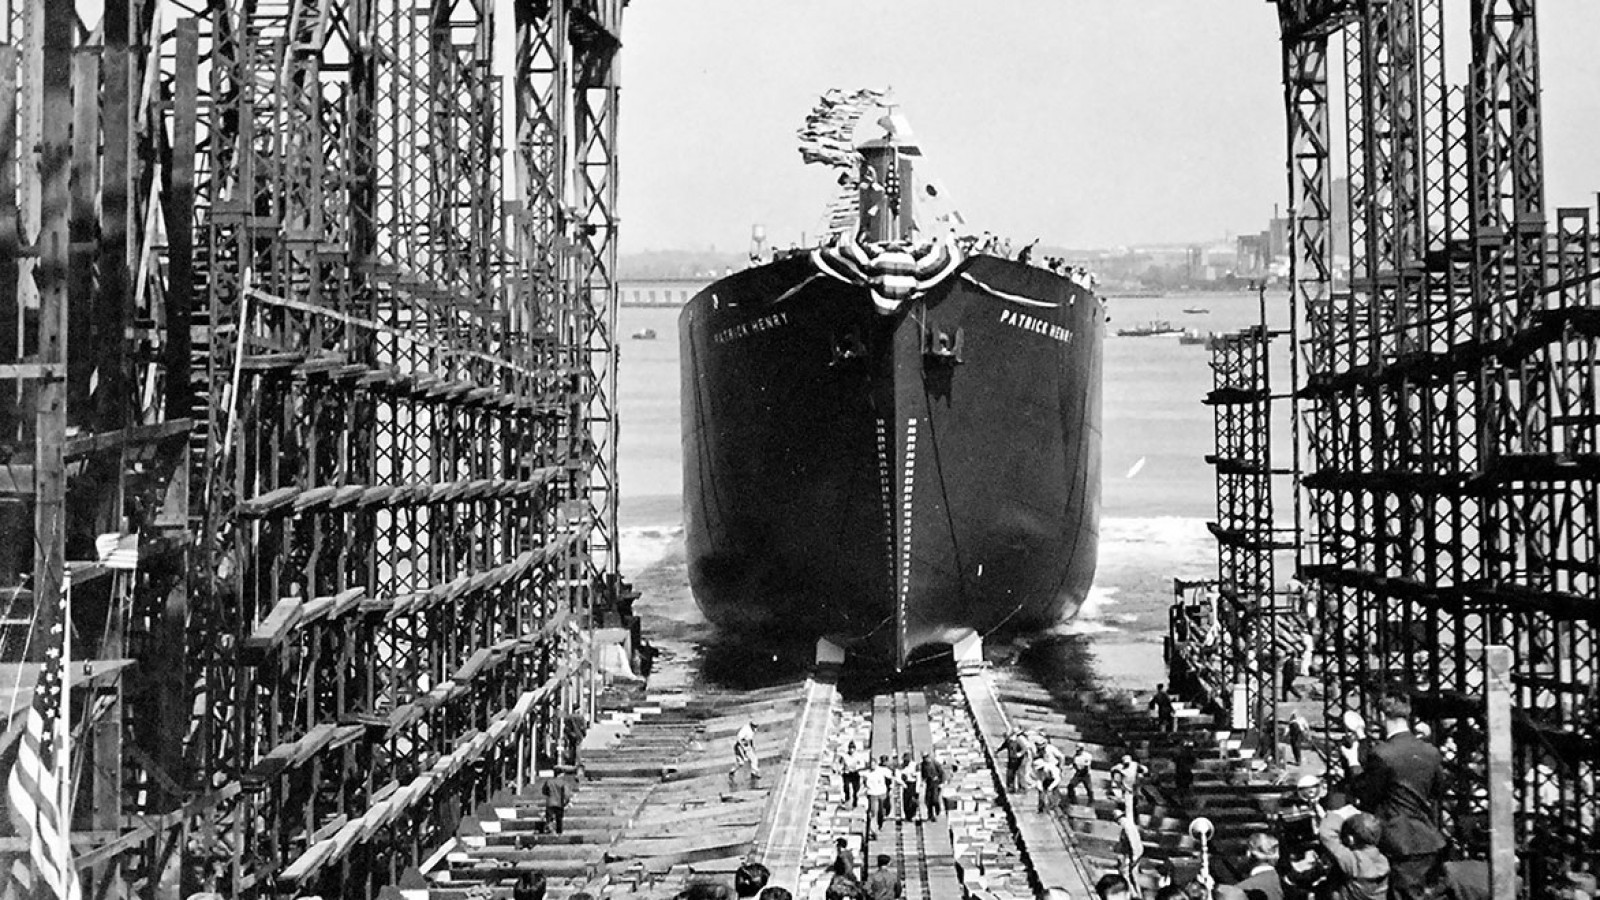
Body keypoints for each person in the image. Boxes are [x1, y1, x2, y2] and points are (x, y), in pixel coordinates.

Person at [1361, 692, 1444, 900]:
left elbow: (1367, 796)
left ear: (1381, 716)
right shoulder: (1430, 751)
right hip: (1427, 837)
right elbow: (1438, 791)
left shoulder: (1382, 753)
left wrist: (1353, 762)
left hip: (1398, 840)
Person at [1317, 806, 1389, 900]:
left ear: (1351, 839)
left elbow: (1327, 836)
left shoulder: (1355, 862)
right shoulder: (1383, 861)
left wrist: (1338, 815)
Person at [1233, 832, 1284, 900]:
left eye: (1239, 852)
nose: (1237, 859)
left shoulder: (1241, 890)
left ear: (1249, 854)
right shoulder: (1287, 883)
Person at [540, 766, 578, 834]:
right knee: (559, 820)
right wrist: (566, 802)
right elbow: (566, 794)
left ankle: (548, 830)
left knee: (549, 818)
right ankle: (559, 833)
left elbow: (544, 791)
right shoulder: (563, 783)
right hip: (559, 803)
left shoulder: (549, 781)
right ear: (561, 774)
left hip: (550, 802)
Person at [863, 755, 892, 837]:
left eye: (873, 764)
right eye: (871, 765)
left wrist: (901, 783)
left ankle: (880, 824)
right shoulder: (866, 773)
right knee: (873, 812)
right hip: (872, 794)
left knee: (881, 811)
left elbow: (892, 776)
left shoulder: (882, 770)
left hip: (882, 793)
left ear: (876, 764)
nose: (872, 766)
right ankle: (873, 830)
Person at [1033, 745, 1062, 813]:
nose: (1040, 770)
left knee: (1052, 794)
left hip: (1054, 779)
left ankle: (1054, 807)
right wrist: (1039, 787)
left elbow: (1057, 779)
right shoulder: (1039, 770)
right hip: (1046, 779)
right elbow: (1039, 778)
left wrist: (1050, 788)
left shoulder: (1052, 768)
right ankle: (1041, 808)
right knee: (1041, 793)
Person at [730, 721, 760, 788]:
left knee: (754, 759)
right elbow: (739, 739)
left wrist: (752, 748)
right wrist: (743, 751)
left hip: (747, 746)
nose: (755, 728)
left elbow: (751, 739)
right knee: (741, 763)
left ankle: (754, 773)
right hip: (740, 746)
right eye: (754, 726)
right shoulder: (745, 729)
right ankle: (732, 772)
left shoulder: (753, 730)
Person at [919, 752, 947, 821]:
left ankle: (937, 811)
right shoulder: (923, 764)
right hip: (928, 783)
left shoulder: (935, 763)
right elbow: (923, 774)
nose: (925, 759)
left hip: (936, 783)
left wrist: (942, 782)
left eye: (926, 757)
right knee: (928, 800)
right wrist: (922, 781)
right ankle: (930, 815)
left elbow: (942, 773)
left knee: (935, 799)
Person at [839, 741, 867, 808]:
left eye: (853, 749)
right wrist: (841, 769)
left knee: (856, 789)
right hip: (847, 773)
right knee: (846, 786)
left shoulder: (858, 756)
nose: (851, 750)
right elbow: (840, 764)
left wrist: (857, 767)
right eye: (850, 749)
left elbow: (862, 764)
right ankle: (847, 798)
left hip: (855, 773)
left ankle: (855, 801)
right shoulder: (845, 756)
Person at [897, 752, 921, 822]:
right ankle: (908, 816)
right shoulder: (901, 766)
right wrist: (903, 784)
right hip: (905, 784)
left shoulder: (915, 765)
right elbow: (898, 777)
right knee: (906, 801)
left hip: (913, 784)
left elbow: (918, 777)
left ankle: (913, 814)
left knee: (913, 801)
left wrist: (917, 789)